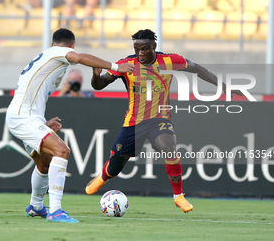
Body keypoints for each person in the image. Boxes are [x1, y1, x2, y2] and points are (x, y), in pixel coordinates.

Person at [85, 29, 243, 213]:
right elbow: (100, 84)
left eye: (144, 48)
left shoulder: (170, 61)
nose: (140, 53)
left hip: (160, 118)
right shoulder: (126, 64)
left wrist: (223, 87)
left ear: (154, 46)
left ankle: (178, 196)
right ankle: (103, 177)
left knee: (169, 147)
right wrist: (96, 76)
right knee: (115, 168)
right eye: (137, 49)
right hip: (134, 122)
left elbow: (198, 69)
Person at [6, 28, 134, 223]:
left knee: (44, 161)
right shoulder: (57, 52)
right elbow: (80, 57)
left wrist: (41, 122)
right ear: (71, 46)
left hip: (26, 116)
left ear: (51, 43)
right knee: (62, 151)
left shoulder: (47, 56)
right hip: (22, 117)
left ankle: (36, 206)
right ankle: (56, 211)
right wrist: (116, 66)